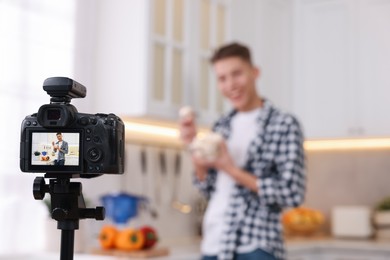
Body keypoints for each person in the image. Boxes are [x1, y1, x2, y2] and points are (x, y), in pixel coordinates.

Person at [179, 42, 306, 260]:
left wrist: (231, 169)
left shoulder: (283, 124)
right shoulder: (221, 126)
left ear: (254, 72)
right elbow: (207, 187)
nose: (231, 85)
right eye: (222, 78)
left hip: (256, 245)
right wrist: (193, 148)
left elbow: (292, 192)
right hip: (213, 244)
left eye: (237, 74)